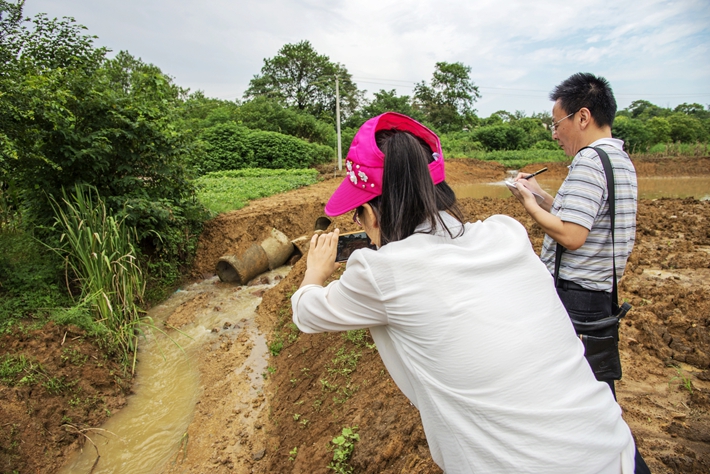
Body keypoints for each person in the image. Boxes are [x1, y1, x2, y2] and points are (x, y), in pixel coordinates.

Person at [291, 112, 637, 473]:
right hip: (616, 451)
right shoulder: (506, 234)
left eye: (357, 217)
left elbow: (306, 312)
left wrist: (315, 272)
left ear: (371, 214)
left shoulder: (381, 270)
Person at [510, 73, 637, 398]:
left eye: (556, 123)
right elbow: (584, 220)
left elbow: (572, 236)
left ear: (583, 116)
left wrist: (529, 206)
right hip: (598, 294)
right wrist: (541, 196)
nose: (554, 134)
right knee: (593, 389)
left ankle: (618, 450)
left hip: (576, 297)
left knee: (575, 394)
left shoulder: (589, 161)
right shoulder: (617, 159)